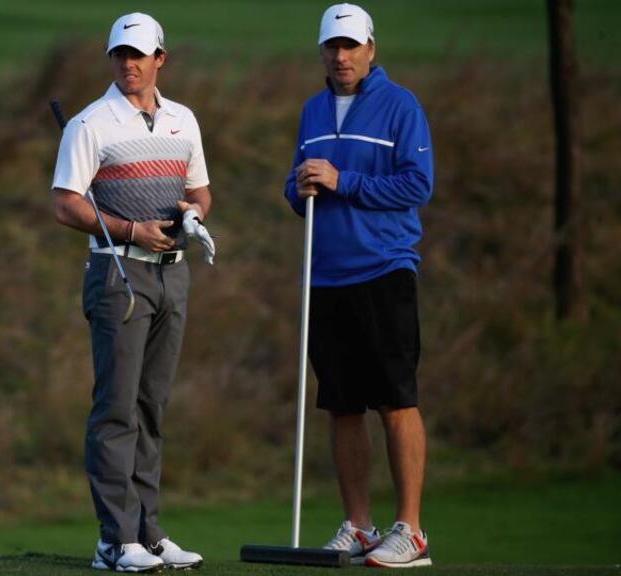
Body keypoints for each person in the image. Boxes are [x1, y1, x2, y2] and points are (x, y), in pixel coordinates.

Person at [51, 12, 214, 573]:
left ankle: (147, 530)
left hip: (173, 273)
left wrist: (193, 214)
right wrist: (128, 229)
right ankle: (114, 540)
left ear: (159, 59)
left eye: (139, 54)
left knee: (151, 407)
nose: (129, 63)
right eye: (120, 54)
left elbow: (199, 188)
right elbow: (67, 203)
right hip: (118, 273)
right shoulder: (90, 123)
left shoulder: (182, 120)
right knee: (116, 409)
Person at [283, 3, 434, 568]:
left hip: (384, 268)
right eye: (332, 47)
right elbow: (294, 191)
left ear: (371, 48)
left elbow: (418, 184)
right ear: (322, 52)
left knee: (396, 399)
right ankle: (360, 525)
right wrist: (300, 187)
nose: (340, 56)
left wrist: (342, 180)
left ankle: (411, 530)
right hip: (325, 273)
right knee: (342, 405)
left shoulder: (401, 106)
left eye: (350, 46)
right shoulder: (312, 111)